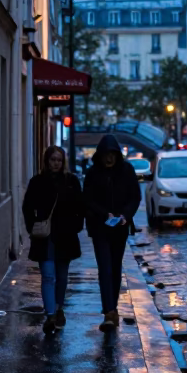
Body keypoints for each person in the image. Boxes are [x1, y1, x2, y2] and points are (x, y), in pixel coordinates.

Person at [22, 145, 84, 335]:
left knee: (62, 277)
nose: (56, 163)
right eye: (52, 160)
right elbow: (27, 207)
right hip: (46, 237)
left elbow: (80, 206)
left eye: (59, 160)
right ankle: (50, 315)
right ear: (47, 161)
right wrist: (33, 227)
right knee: (48, 276)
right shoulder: (38, 182)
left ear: (63, 161)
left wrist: (76, 225)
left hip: (65, 235)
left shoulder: (71, 181)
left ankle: (58, 309)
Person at [83, 134, 141, 331]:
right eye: (105, 155)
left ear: (117, 155)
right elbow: (88, 199)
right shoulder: (92, 174)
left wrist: (125, 215)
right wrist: (102, 214)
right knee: (105, 268)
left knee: (115, 269)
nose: (108, 158)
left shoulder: (127, 171)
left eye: (112, 155)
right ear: (100, 155)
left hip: (120, 228)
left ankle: (112, 308)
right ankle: (108, 311)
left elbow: (135, 197)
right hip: (100, 228)